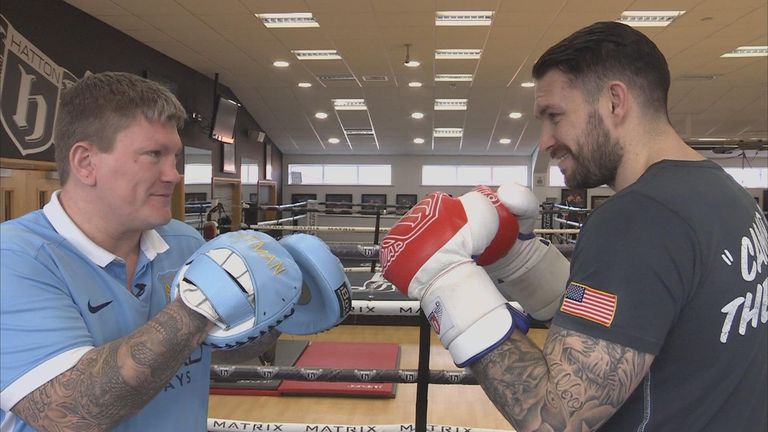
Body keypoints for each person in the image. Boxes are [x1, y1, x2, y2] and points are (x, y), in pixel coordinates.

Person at [380, 21, 767, 431]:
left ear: (615, 102)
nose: (545, 140)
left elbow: (555, 421)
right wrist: (520, 263)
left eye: (555, 116)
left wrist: (448, 285)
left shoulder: (639, 219)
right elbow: (644, 313)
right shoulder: (727, 195)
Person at [0, 72, 350, 431]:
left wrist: (281, 304)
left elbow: (214, 346)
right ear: (86, 162)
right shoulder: (15, 258)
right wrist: (200, 304)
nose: (174, 174)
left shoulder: (182, 242)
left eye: (175, 157)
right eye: (154, 155)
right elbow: (70, 413)